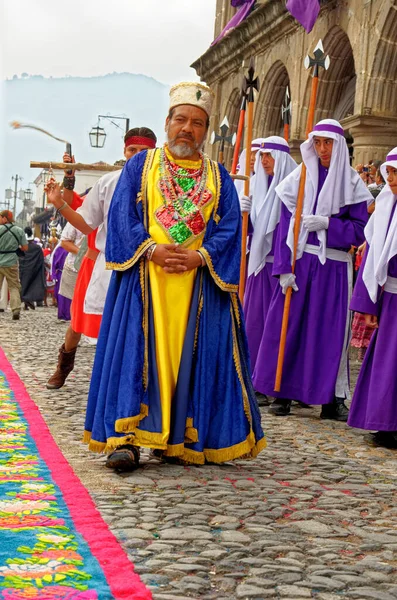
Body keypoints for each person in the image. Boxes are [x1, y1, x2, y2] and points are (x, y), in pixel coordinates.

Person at [50, 81, 265, 470]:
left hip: (197, 287)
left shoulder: (218, 177)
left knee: (189, 360)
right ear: (167, 123)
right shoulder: (141, 166)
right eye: (180, 119)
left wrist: (200, 257)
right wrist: (151, 249)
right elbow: (120, 219)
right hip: (144, 281)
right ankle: (127, 439)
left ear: (206, 129)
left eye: (197, 123)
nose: (188, 128)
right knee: (136, 353)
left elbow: (230, 227)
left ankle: (176, 439)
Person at [253, 119, 372, 420]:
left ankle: (332, 398)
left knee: (331, 332)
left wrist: (330, 224)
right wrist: (282, 268)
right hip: (300, 262)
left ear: (339, 145)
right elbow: (283, 228)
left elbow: (361, 231)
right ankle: (281, 392)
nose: (322, 149)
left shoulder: (354, 184)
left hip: (333, 266)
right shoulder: (298, 179)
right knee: (288, 326)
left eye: (328, 143)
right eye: (317, 142)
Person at [45, 127, 157, 389]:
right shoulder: (107, 183)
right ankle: (64, 366)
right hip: (101, 264)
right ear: (124, 151)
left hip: (148, 263)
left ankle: (132, 383)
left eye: (144, 151)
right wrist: (67, 181)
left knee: (141, 328)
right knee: (79, 323)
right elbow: (79, 208)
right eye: (132, 150)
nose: (137, 156)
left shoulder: (163, 184)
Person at [348, 149, 397, 448]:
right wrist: (368, 304)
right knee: (386, 363)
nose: (391, 179)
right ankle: (384, 422)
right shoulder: (385, 206)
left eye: (396, 173)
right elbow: (372, 258)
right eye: (389, 173)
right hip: (390, 297)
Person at [240, 137, 297, 378]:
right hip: (259, 266)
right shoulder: (255, 186)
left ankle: (279, 378)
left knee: (280, 328)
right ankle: (254, 375)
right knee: (255, 324)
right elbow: (252, 231)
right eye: (261, 156)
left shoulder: (296, 186)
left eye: (269, 156)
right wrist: (242, 214)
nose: (264, 161)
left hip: (285, 268)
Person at [0, 210, 28, 320]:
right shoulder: (18, 230)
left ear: (5, 218)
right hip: (11, 262)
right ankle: (15, 309)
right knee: (14, 286)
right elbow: (25, 248)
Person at [19, 226, 46, 310]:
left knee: (24, 284)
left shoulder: (22, 248)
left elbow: (19, 258)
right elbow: (41, 260)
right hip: (35, 269)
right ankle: (28, 300)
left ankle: (25, 303)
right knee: (32, 285)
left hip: (24, 269)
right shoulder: (37, 248)